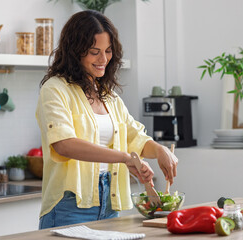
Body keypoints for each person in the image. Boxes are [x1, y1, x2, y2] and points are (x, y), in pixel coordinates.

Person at [36, 10, 178, 229]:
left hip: (111, 205)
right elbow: (64, 144)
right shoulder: (55, 89)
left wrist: (159, 150)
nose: (103, 59)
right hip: (69, 205)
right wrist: (125, 158)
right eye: (95, 52)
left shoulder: (108, 96)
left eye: (108, 51)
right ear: (75, 52)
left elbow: (134, 137)